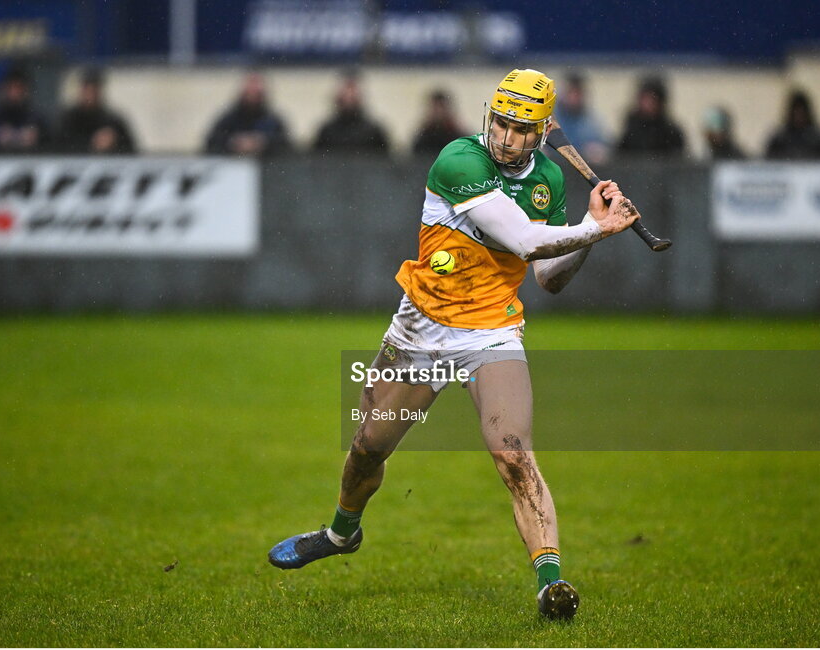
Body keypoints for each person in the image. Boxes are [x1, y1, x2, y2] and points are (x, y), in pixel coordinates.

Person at [267, 69, 639, 621]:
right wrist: (597, 230)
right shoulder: (459, 161)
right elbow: (526, 240)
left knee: (512, 451)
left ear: (540, 134)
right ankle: (342, 533)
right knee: (367, 446)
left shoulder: (550, 181)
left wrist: (588, 223)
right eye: (501, 124)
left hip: (492, 331)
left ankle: (550, 584)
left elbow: (549, 276)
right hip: (422, 328)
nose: (507, 138)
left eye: (521, 130)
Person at [204, 72, 289, 156]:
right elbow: (212, 143)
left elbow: (285, 146)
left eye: (256, 93)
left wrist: (263, 143)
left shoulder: (273, 122)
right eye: (249, 93)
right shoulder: (227, 120)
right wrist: (233, 143)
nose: (252, 96)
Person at [57, 68, 137, 154]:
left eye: (94, 89)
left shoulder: (113, 121)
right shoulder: (68, 120)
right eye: (87, 89)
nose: (90, 94)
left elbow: (131, 151)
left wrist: (114, 143)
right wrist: (92, 144)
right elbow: (57, 148)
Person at [0, 67, 50, 153]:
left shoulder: (39, 120)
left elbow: (52, 147)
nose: (14, 93)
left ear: (27, 91)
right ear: (3, 89)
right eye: (10, 88)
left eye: (19, 88)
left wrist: (36, 139)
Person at [314, 74, 389, 155]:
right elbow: (316, 161)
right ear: (338, 96)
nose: (349, 96)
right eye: (346, 92)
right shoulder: (327, 132)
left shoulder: (374, 132)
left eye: (352, 92)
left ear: (360, 96)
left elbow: (386, 162)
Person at [616, 77, 685, 158]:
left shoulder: (671, 132)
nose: (647, 104)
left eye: (652, 99)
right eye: (644, 99)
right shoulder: (631, 130)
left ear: (660, 102)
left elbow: (678, 163)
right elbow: (620, 159)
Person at [553, 73, 608, 164]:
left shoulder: (590, 120)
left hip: (579, 171)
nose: (573, 98)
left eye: (577, 94)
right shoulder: (550, 116)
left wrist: (597, 150)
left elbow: (602, 144)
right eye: (570, 93)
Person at [765, 90, 820, 160]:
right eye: (796, 111)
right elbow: (769, 162)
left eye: (802, 111)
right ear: (791, 113)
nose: (799, 115)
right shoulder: (779, 139)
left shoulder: (819, 139)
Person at [412, 90, 465, 156]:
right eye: (435, 109)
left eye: (441, 108)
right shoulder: (422, 139)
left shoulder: (460, 139)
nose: (439, 114)